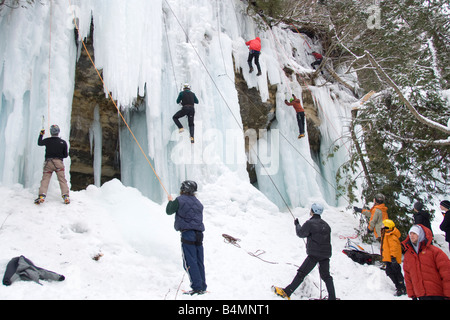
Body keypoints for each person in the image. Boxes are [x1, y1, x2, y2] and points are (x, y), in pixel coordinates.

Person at [273, 203, 336, 300]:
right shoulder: (327, 225)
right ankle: (332, 298)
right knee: (327, 277)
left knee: (301, 273)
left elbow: (301, 233)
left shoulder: (310, 223)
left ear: (313, 211)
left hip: (314, 255)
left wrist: (297, 225)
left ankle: (287, 292)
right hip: (325, 255)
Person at [166, 180, 206, 295]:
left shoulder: (180, 200)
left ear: (183, 189)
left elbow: (169, 211)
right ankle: (202, 286)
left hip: (188, 233)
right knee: (199, 260)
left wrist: (170, 201)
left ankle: (197, 287)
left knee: (189, 261)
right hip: (199, 234)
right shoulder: (198, 203)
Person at [402, 224, 450, 300]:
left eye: (414, 233)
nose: (412, 236)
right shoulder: (408, 255)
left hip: (437, 293)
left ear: (420, 234)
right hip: (421, 295)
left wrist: (448, 294)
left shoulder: (434, 251)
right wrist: (412, 294)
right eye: (410, 233)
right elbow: (408, 276)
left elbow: (446, 273)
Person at [35, 125, 70, 205]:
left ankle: (42, 195)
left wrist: (41, 134)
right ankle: (66, 196)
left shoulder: (48, 141)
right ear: (58, 132)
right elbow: (65, 155)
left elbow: (39, 143)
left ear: (51, 132)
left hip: (49, 163)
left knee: (45, 179)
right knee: (62, 179)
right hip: (59, 163)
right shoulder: (63, 142)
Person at [380, 219, 406, 296]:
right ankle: (398, 286)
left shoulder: (391, 236)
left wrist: (393, 258)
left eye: (383, 226)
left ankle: (401, 287)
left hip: (392, 259)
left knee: (396, 272)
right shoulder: (386, 234)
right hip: (388, 259)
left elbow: (394, 248)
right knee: (389, 272)